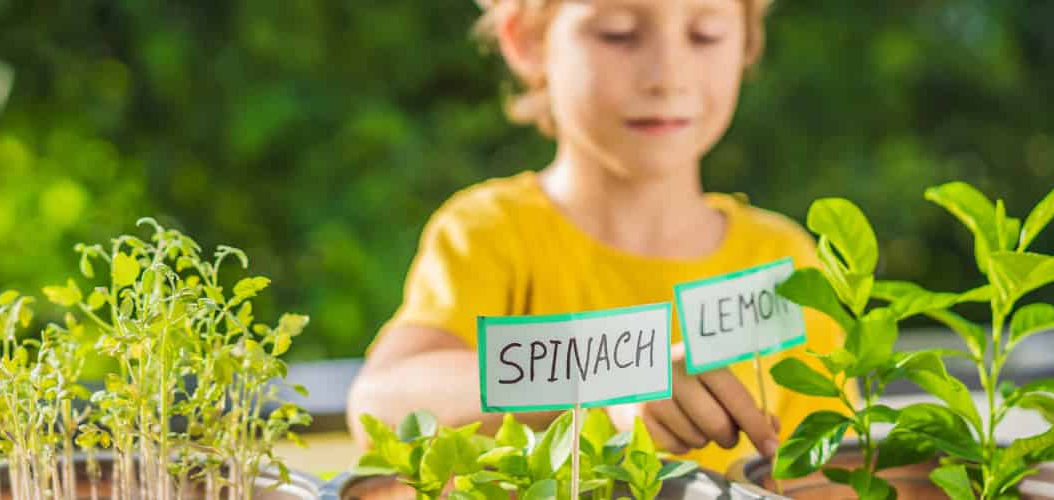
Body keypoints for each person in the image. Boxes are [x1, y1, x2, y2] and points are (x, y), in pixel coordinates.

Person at [346, 0, 848, 472]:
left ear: (747, 42)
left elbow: (828, 473)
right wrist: (614, 378)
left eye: (705, 34)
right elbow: (383, 402)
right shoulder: (491, 233)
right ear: (526, 42)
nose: (668, 77)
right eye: (619, 35)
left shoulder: (783, 259)